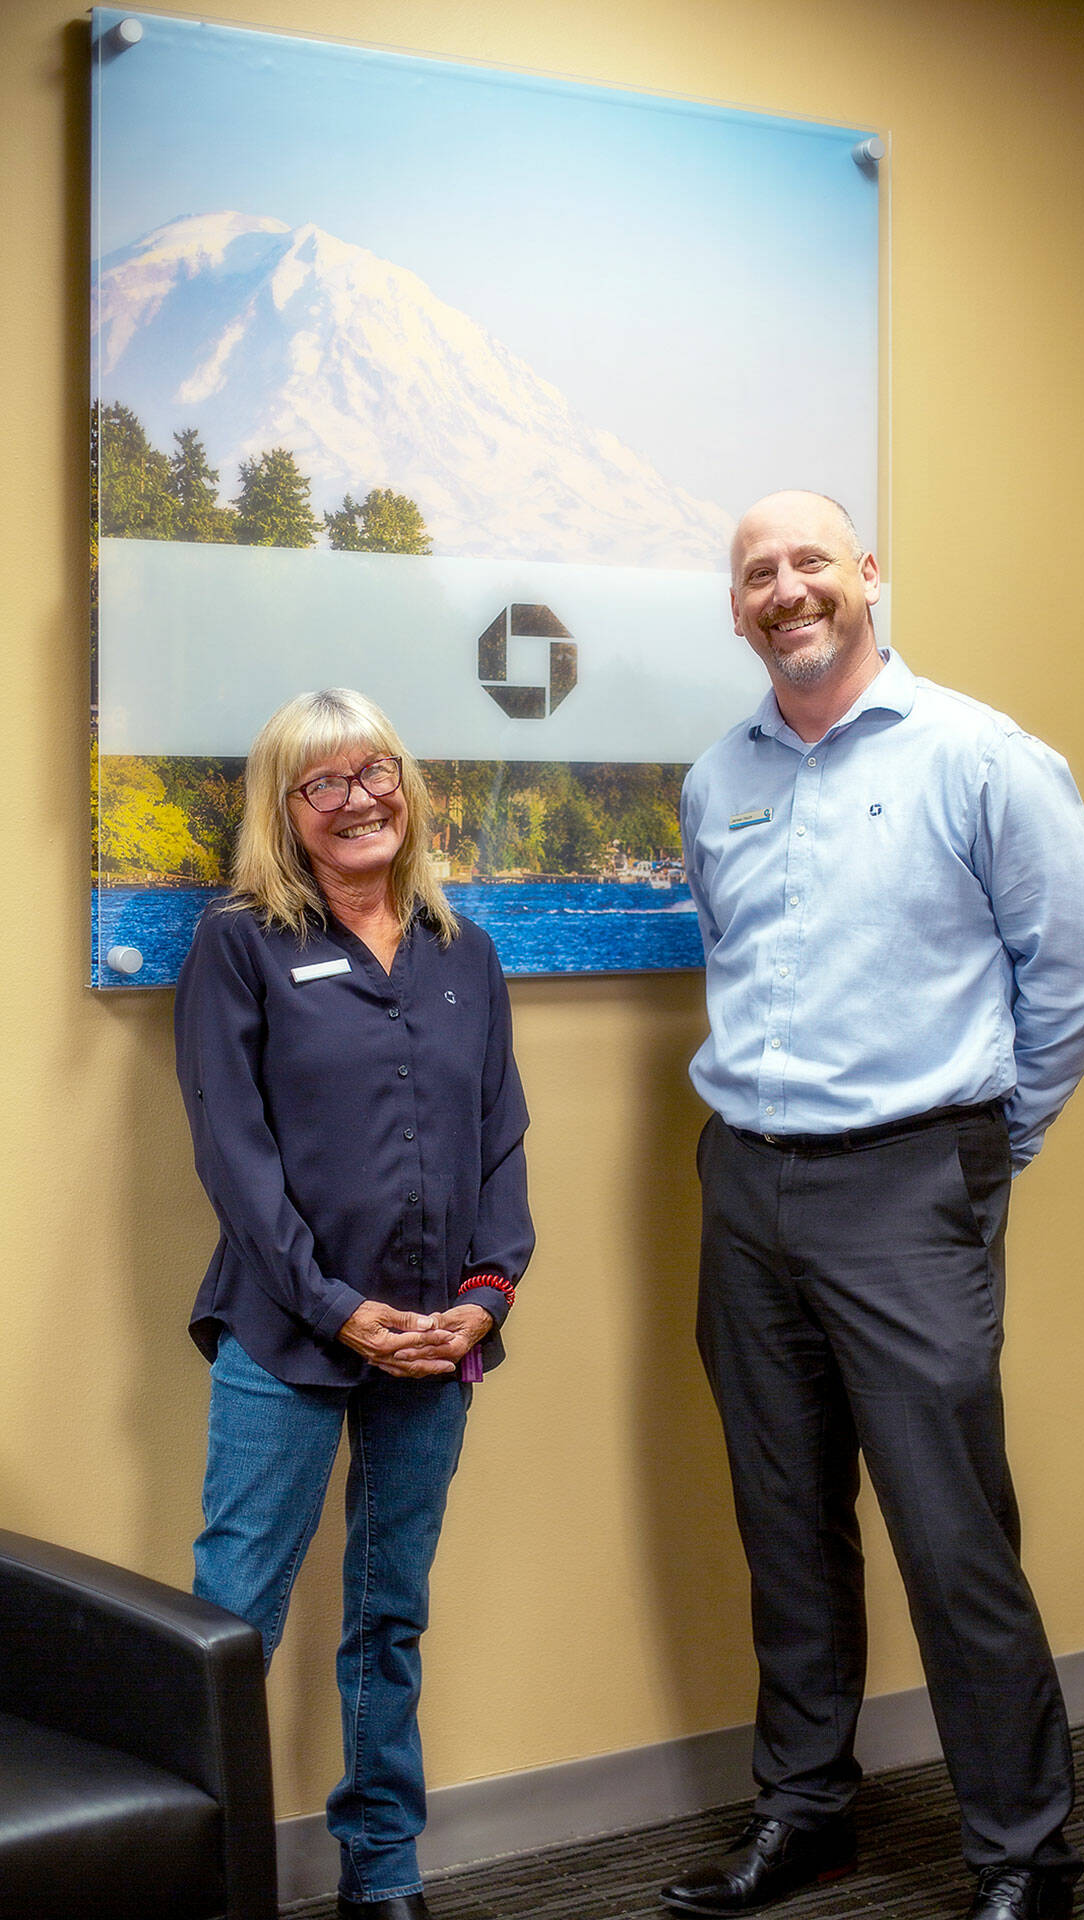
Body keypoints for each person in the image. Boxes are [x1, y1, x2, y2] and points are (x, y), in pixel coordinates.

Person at [661, 493, 1084, 1920]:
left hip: (910, 1181)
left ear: (869, 576)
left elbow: (1079, 969)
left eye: (812, 561)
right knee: (784, 1521)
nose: (787, 589)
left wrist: (986, 1145)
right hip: (744, 1183)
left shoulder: (979, 757)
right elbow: (737, 958)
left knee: (952, 1534)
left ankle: (1024, 1857)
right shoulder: (714, 778)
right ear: (736, 613)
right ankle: (808, 1816)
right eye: (758, 575)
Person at [175, 688, 534, 1920]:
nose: (356, 800)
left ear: (407, 785)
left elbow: (501, 1143)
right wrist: (333, 1307)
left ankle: (381, 1869)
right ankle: (205, 1883)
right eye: (320, 783)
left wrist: (486, 1298)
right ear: (285, 815)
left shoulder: (462, 951)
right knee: (230, 1623)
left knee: (388, 1619)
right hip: (286, 1338)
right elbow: (235, 1154)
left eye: (372, 771)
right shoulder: (240, 944)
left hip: (435, 1349)